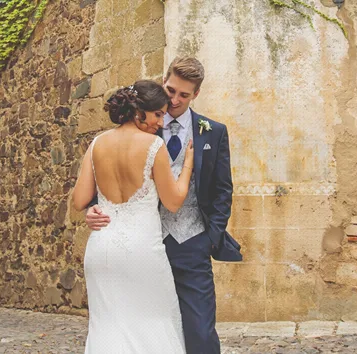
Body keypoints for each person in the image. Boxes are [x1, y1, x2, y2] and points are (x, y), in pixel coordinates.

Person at [84, 57, 242, 354]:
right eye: (171, 90)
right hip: (142, 245)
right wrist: (94, 207)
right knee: (144, 328)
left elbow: (223, 189)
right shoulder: (142, 125)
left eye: (184, 94)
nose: (175, 100)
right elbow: (109, 169)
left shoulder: (213, 131)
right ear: (163, 82)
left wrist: (210, 238)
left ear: (196, 94)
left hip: (192, 242)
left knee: (200, 332)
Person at [71, 79, 194, 353]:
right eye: (158, 114)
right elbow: (173, 201)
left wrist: (94, 208)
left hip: (102, 250)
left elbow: (79, 200)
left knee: (107, 328)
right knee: (154, 324)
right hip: (142, 251)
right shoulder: (153, 145)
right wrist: (187, 167)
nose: (161, 123)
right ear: (139, 111)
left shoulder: (96, 143)